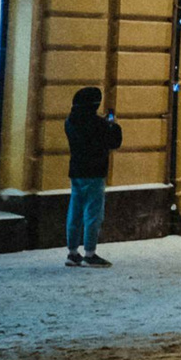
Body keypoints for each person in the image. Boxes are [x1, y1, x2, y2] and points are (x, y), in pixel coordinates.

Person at [62, 87, 121, 267]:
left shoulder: (70, 122)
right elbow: (114, 142)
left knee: (75, 211)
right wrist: (113, 125)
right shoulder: (98, 124)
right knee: (93, 213)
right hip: (94, 172)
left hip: (77, 171)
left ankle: (72, 252)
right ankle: (90, 253)